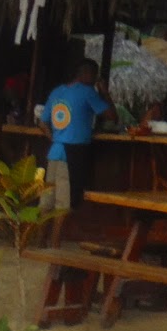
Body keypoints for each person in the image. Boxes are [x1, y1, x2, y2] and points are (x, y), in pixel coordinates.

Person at [41, 59, 112, 219]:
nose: (95, 80)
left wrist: (55, 138)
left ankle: (40, 240)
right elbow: (112, 117)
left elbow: (42, 122)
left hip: (55, 151)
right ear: (86, 73)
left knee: (47, 200)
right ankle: (55, 242)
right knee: (64, 203)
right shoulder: (88, 92)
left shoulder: (57, 91)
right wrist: (105, 92)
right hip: (73, 153)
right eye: (95, 76)